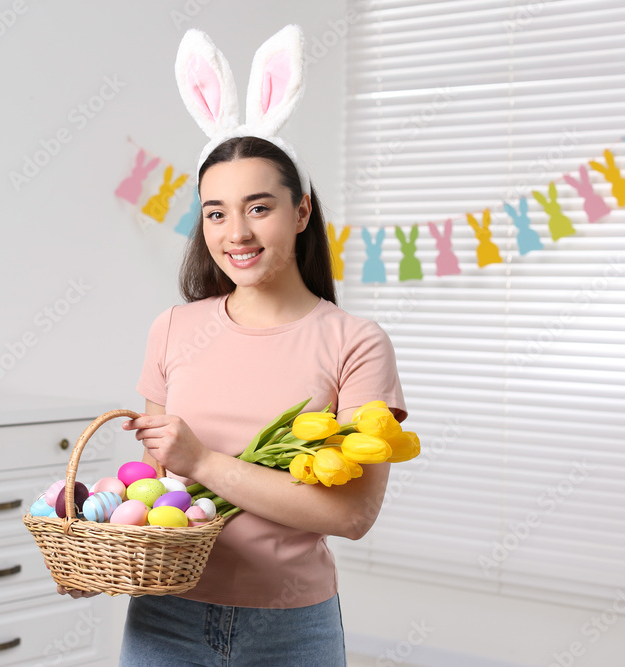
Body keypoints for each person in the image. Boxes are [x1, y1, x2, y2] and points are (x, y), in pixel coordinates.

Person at [112, 26, 408, 667]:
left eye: (259, 207)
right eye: (215, 212)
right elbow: (159, 494)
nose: (236, 232)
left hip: (291, 627)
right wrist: (108, 540)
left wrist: (205, 462)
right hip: (165, 615)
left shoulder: (355, 342)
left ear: (301, 211)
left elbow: (352, 514)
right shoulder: (173, 328)